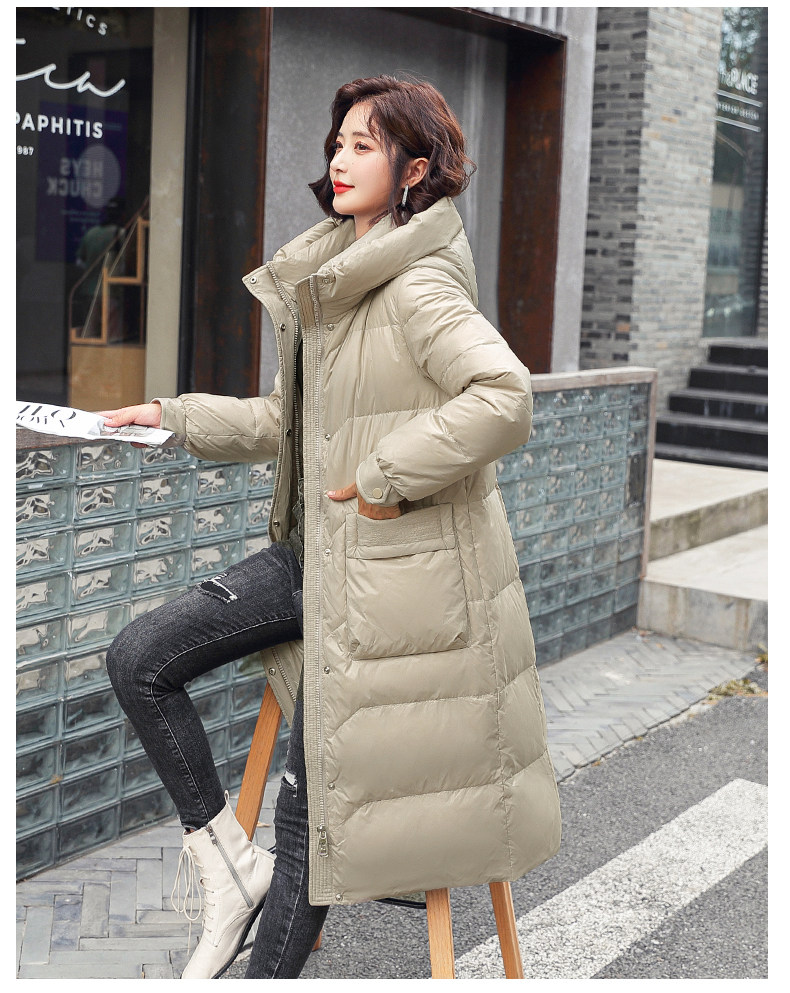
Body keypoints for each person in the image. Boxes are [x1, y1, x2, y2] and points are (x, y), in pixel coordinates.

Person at [102, 75, 561, 980]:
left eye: (364, 145)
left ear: (414, 169)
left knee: (309, 816)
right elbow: (285, 421)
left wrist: (386, 473)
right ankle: (229, 867)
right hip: (315, 557)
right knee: (141, 656)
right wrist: (172, 416)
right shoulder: (339, 279)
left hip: (390, 584)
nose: (339, 159)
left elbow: (505, 398)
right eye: (338, 141)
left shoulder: (416, 285)